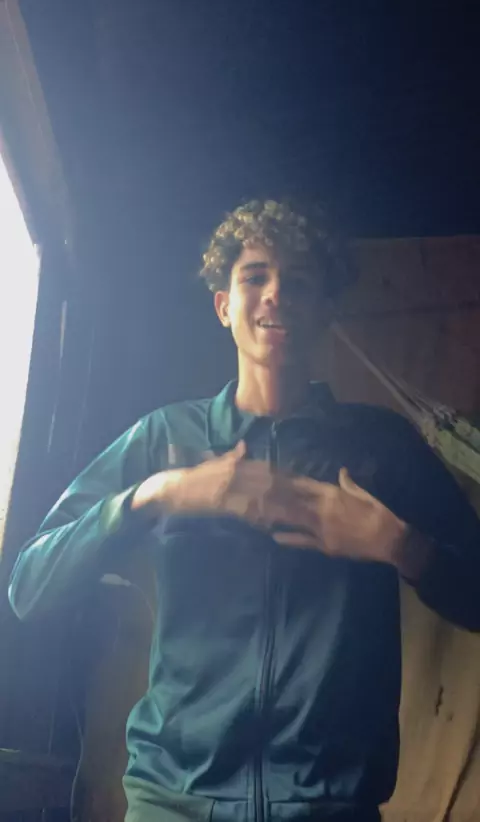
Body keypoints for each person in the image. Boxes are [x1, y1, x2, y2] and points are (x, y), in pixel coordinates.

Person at [8, 200, 480, 822]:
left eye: (299, 281)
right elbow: (29, 586)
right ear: (224, 306)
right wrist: (157, 495)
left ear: (325, 310)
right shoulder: (164, 440)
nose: (276, 293)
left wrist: (401, 547)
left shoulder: (380, 448)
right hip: (172, 801)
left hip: (327, 806)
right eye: (255, 276)